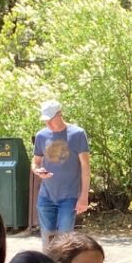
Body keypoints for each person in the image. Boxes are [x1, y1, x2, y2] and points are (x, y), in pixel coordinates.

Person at [32, 99, 91, 246]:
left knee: (64, 241)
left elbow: (85, 166)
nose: (48, 124)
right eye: (45, 120)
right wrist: (37, 170)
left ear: (59, 114)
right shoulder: (41, 136)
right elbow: (35, 161)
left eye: (50, 119)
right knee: (48, 240)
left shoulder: (77, 134)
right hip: (46, 196)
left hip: (69, 197)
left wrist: (84, 196)